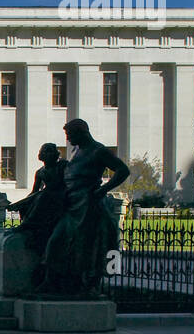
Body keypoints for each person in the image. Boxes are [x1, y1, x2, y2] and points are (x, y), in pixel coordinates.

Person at [38, 119, 130, 296]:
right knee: (56, 241)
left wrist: (103, 189)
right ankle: (51, 282)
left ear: (82, 132)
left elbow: (123, 170)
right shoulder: (77, 151)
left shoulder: (98, 150)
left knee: (85, 247)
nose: (68, 139)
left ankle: (87, 285)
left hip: (88, 205)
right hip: (72, 204)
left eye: (70, 135)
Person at [10, 143, 67, 255]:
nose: (49, 154)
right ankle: (27, 225)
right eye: (46, 152)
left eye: (51, 151)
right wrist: (22, 202)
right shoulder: (40, 172)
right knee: (36, 197)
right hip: (47, 197)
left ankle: (27, 224)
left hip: (61, 196)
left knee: (42, 195)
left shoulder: (63, 165)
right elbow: (34, 192)